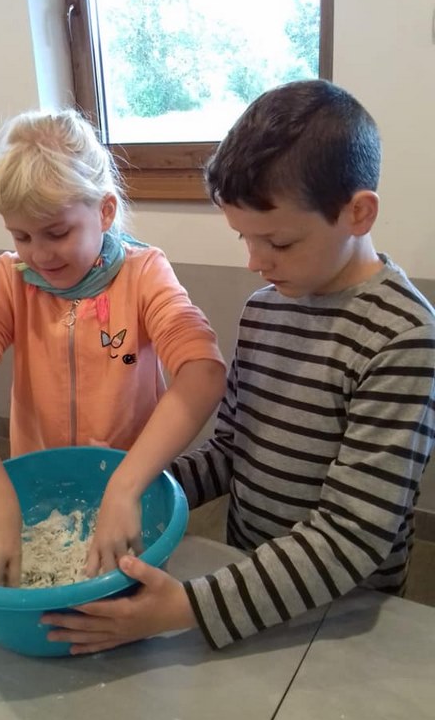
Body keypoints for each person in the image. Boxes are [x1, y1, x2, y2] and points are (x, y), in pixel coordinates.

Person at [40, 79, 435, 654]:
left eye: (278, 242)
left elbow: (351, 535)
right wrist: (138, 487)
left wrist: (186, 608)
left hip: (344, 611)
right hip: (247, 577)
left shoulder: (403, 335)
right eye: (244, 238)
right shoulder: (265, 309)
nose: (255, 262)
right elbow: (231, 450)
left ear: (358, 212)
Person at [0, 108, 226, 587]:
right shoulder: (11, 281)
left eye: (57, 232)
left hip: (133, 487)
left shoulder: (144, 275)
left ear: (104, 211)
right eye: (21, 235)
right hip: (41, 492)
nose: (39, 254)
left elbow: (202, 372)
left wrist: (126, 486)